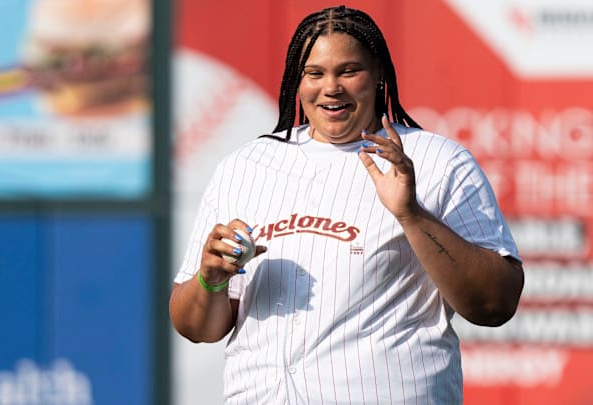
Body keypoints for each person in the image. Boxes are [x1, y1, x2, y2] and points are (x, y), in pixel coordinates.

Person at [169, 5, 524, 404]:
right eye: (315, 73)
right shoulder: (245, 166)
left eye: (349, 71)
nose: (331, 87)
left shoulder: (437, 161)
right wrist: (210, 279)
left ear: (378, 76)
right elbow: (197, 328)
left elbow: (495, 304)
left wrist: (411, 215)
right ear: (296, 80)